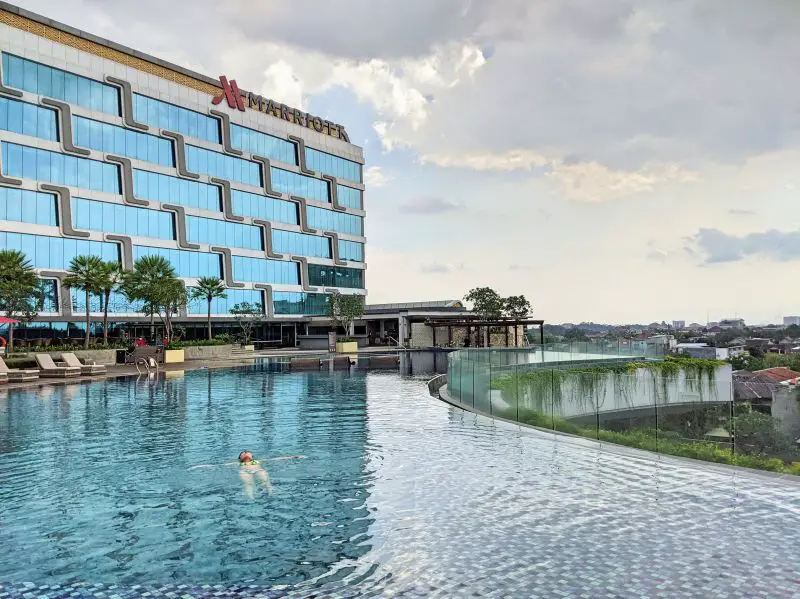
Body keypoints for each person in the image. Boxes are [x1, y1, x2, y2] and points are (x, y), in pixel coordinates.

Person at [189, 451, 306, 499]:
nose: (245, 453)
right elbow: (215, 466)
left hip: (258, 470)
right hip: (244, 472)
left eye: (247, 452)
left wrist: (294, 457)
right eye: (243, 453)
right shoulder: (236, 463)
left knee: (266, 482)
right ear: (240, 458)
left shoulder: (258, 462)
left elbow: (276, 459)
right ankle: (251, 498)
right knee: (248, 484)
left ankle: (271, 493)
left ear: (252, 456)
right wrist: (198, 466)